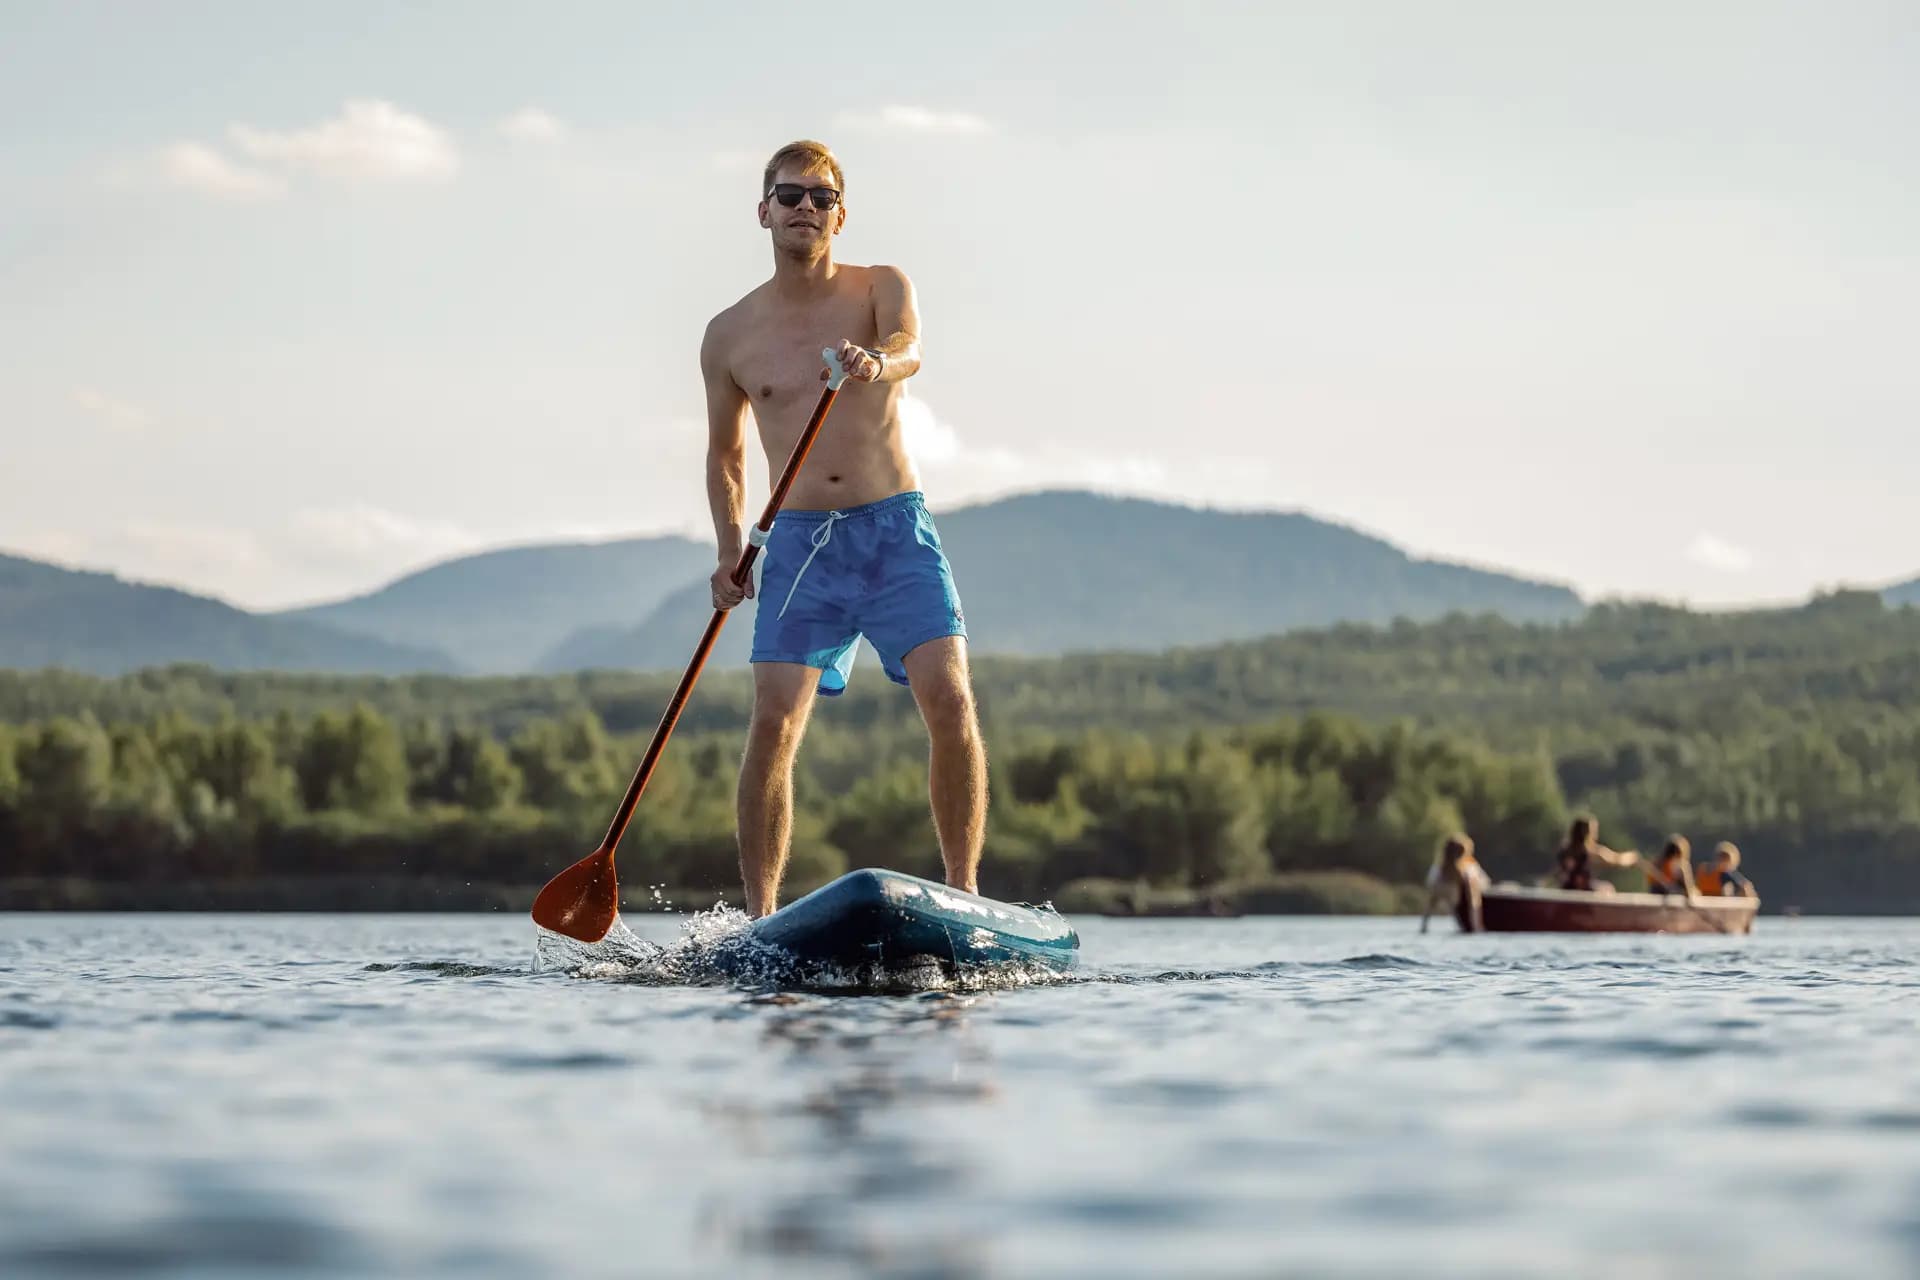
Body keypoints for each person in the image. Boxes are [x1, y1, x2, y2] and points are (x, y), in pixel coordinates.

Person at [702, 140, 982, 917]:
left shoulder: (880, 286)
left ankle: (963, 896)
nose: (805, 209)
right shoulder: (729, 333)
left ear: (840, 215)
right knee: (772, 721)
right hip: (796, 543)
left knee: (952, 701)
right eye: (791, 196)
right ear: (764, 210)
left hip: (894, 530)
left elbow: (910, 348)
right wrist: (731, 550)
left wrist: (875, 363)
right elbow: (726, 455)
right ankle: (761, 918)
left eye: (822, 199)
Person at [1422, 832, 1490, 932]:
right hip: (1458, 898)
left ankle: (1424, 926)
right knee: (1471, 892)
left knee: (1438, 899)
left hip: (1455, 899)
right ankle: (1476, 926)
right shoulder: (1462, 867)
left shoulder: (1440, 867)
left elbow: (1430, 883)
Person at [1554, 815, 1640, 892]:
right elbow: (1616, 860)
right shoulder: (1590, 851)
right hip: (1583, 891)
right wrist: (1632, 858)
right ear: (1588, 833)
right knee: (1608, 888)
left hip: (1565, 889)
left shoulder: (1565, 849)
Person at [1643, 835, 1698, 900]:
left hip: (1669, 894)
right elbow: (1688, 889)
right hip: (1665, 894)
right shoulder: (1678, 865)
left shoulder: (1658, 862)